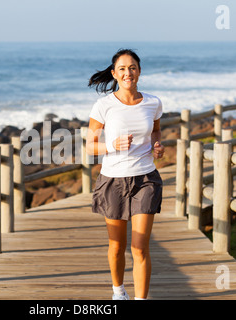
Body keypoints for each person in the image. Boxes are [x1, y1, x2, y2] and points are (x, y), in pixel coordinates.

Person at [86, 48, 164, 300]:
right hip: (113, 180)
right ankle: (118, 291)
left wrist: (157, 145)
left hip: (145, 178)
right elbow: (89, 145)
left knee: (139, 247)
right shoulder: (103, 106)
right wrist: (112, 145)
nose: (128, 72)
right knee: (117, 246)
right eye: (122, 68)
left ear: (139, 71)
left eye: (132, 67)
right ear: (114, 74)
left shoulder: (153, 102)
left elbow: (155, 131)